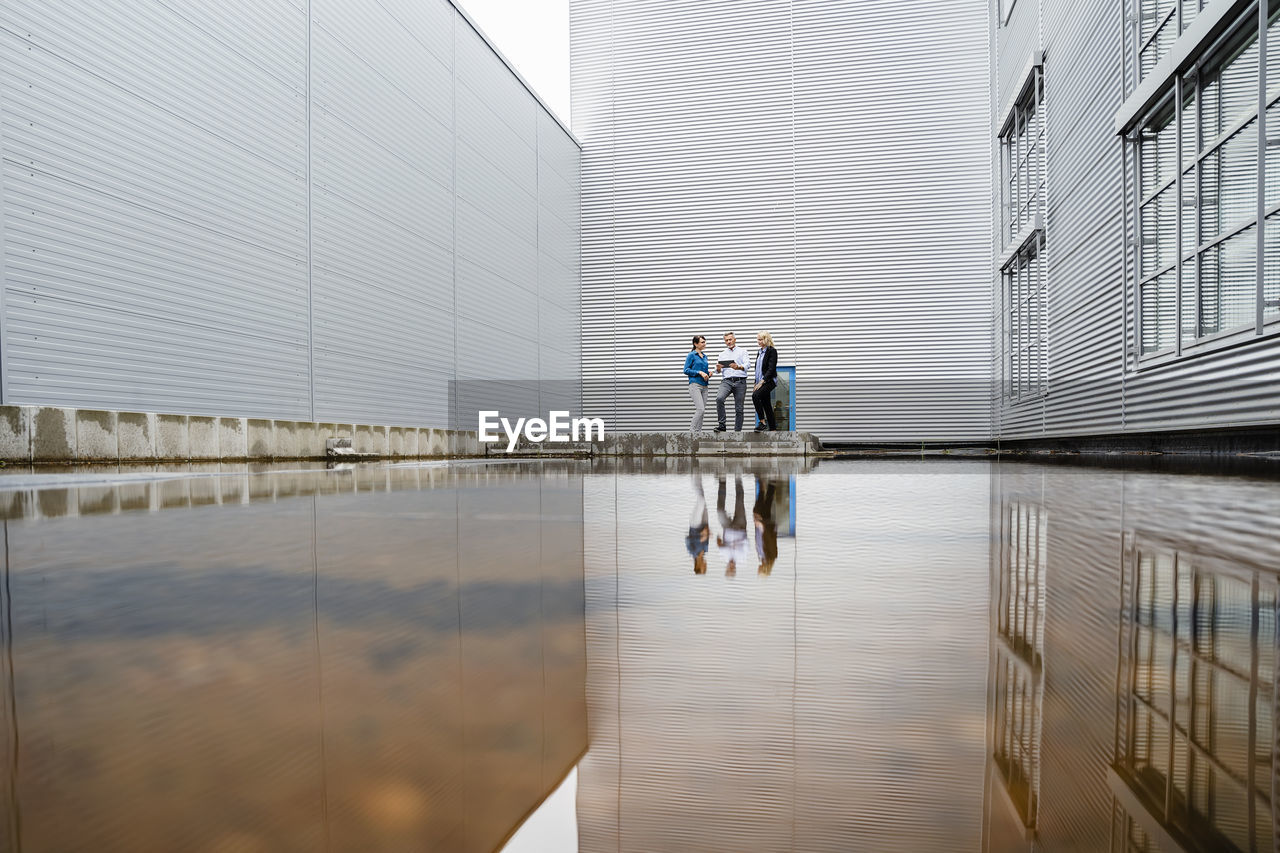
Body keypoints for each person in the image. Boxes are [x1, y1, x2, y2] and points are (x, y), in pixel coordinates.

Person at [712, 332, 749, 433]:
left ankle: (737, 432)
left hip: (740, 381)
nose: (728, 342)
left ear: (735, 340)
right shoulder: (722, 354)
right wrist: (718, 369)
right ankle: (722, 425)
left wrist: (738, 367)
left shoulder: (743, 351)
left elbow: (747, 366)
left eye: (730, 339)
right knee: (719, 398)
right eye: (726, 340)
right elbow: (718, 371)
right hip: (727, 381)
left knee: (739, 408)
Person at [716, 474, 752, 576]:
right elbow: (747, 542)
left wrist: (721, 544)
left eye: (729, 569)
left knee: (720, 511)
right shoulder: (742, 557)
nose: (731, 566)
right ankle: (738, 479)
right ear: (735, 568)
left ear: (726, 567)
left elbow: (718, 541)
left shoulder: (723, 556)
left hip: (727, 528)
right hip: (740, 527)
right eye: (732, 569)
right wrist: (735, 543)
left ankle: (722, 482)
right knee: (739, 500)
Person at [683, 335, 711, 433]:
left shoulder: (704, 356)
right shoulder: (691, 355)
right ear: (695, 344)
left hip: (705, 386)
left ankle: (698, 432)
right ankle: (692, 431)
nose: (704, 344)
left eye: (705, 341)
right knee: (700, 409)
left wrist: (708, 374)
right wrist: (699, 372)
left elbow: (704, 372)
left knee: (702, 412)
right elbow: (686, 370)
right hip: (695, 385)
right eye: (702, 342)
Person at [752, 331, 778, 432]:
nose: (758, 341)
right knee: (766, 403)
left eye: (760, 339)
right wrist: (756, 382)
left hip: (769, 381)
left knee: (755, 396)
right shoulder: (759, 352)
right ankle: (773, 429)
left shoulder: (772, 351)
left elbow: (771, 369)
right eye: (757, 339)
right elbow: (758, 368)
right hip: (759, 381)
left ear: (766, 339)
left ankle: (762, 422)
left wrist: (762, 382)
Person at [686, 473, 710, 574]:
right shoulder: (705, 550)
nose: (706, 565)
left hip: (695, 525)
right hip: (704, 523)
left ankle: (694, 475)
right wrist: (708, 532)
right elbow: (706, 536)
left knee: (701, 500)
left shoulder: (692, 551)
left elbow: (687, 539)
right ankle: (698, 475)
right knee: (702, 496)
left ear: (698, 566)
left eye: (704, 567)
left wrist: (700, 537)